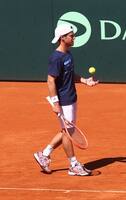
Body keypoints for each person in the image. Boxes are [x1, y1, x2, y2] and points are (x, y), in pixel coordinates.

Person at [34, 24, 99, 176]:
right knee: (67, 133)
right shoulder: (56, 58)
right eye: (71, 35)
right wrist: (55, 103)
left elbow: (69, 75)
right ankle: (73, 164)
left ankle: (44, 154)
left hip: (71, 98)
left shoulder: (68, 55)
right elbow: (50, 80)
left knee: (66, 131)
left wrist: (84, 80)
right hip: (63, 101)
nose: (74, 37)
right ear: (63, 38)